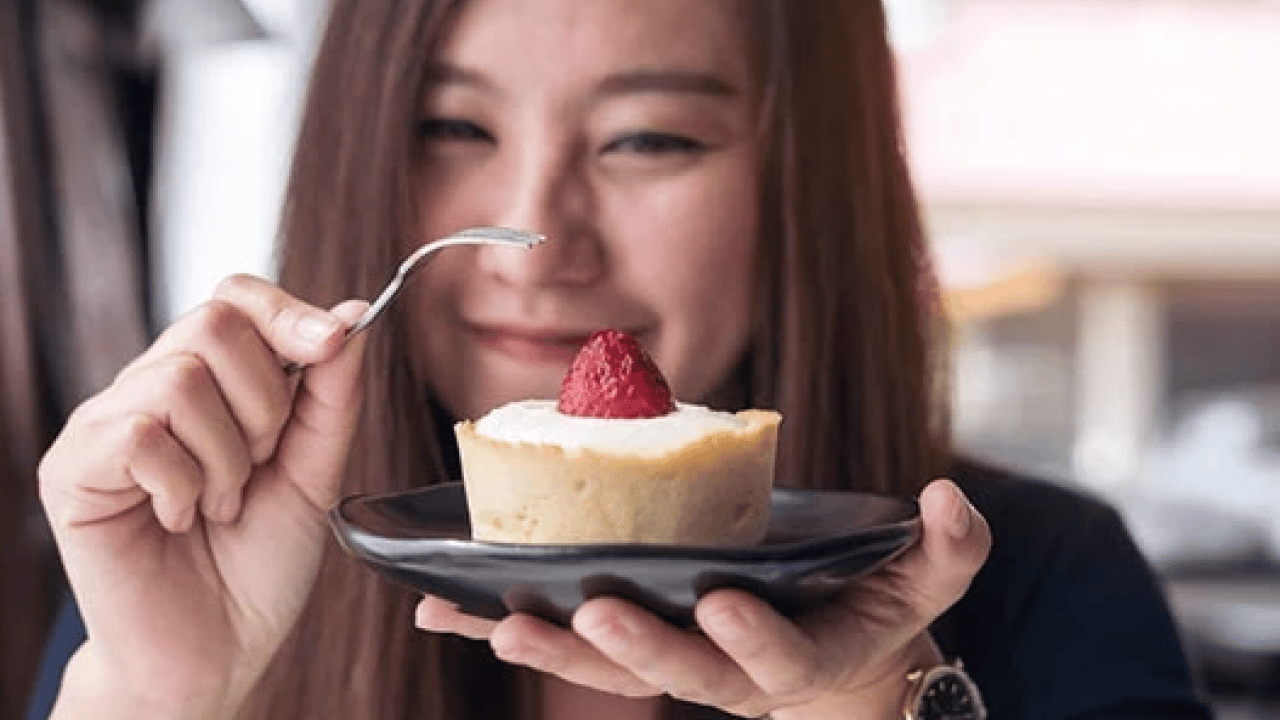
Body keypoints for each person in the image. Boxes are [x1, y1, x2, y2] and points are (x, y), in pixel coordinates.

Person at [33, 0, 1211, 718]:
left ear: (809, 181)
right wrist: (155, 700)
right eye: (453, 128)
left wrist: (863, 702)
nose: (534, 245)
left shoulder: (1045, 577)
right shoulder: (204, 567)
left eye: (647, 138)